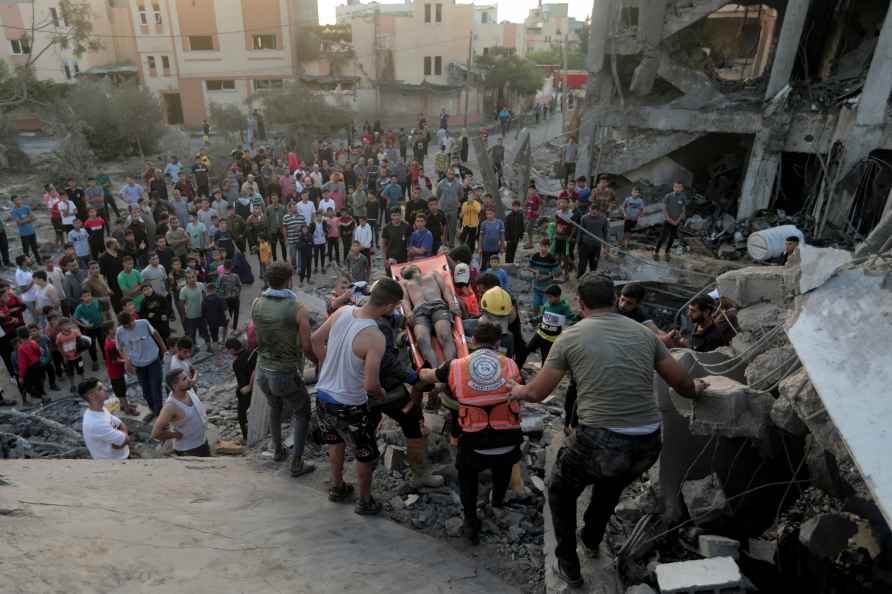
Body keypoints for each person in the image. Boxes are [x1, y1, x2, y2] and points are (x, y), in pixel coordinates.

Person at [509, 274, 703, 587]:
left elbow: (536, 393)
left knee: (560, 489)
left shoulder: (570, 337)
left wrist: (516, 390)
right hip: (649, 441)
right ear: (615, 301)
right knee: (611, 482)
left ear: (580, 304)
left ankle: (569, 564)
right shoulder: (644, 334)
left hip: (601, 439)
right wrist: (700, 389)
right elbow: (682, 384)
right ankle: (591, 536)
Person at [419, 322, 523, 545]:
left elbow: (429, 376)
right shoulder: (511, 365)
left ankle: (470, 521)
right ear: (497, 344)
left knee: (466, 474)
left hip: (475, 443)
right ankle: (497, 503)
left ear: (472, 342)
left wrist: (421, 370)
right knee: (503, 468)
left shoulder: (455, 366)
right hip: (508, 441)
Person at [311, 278, 403, 516]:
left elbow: (315, 340)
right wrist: (381, 393)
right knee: (364, 452)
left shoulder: (342, 311)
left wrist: (326, 365)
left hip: (323, 396)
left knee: (335, 441)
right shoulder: (375, 336)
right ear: (390, 306)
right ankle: (364, 501)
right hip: (350, 404)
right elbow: (371, 384)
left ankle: (337, 487)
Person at [250, 262, 317, 476]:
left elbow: (253, 336)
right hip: (284, 371)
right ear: (289, 280)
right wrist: (318, 363)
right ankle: (296, 463)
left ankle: (278, 450)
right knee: (302, 410)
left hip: (263, 369)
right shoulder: (297, 308)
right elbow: (307, 346)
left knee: (274, 406)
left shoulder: (256, 303)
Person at [398, 264, 460, 367]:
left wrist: (451, 304)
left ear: (417, 268)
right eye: (403, 269)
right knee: (421, 339)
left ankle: (449, 369)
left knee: (445, 335)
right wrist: (408, 311)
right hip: (419, 312)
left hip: (438, 306)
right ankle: (435, 374)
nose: (405, 268)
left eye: (407, 266)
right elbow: (404, 299)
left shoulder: (433, 273)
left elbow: (445, 289)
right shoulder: (404, 283)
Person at [116, 311, 167, 416]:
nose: (130, 327)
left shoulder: (143, 323)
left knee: (156, 387)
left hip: (153, 360)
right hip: (138, 364)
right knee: (146, 390)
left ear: (133, 319)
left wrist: (163, 348)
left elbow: (156, 334)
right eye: (126, 326)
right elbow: (121, 348)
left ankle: (159, 413)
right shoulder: (120, 332)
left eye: (131, 324)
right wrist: (127, 361)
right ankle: (153, 409)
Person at [152, 369, 210, 457]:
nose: (189, 380)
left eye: (187, 377)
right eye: (184, 379)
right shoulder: (170, 406)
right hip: (189, 449)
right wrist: (176, 435)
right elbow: (156, 433)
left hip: (202, 441)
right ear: (175, 386)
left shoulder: (189, 390)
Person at [80, 378, 130, 460]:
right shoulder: (96, 424)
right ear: (91, 396)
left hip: (119, 456)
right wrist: (123, 436)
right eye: (100, 389)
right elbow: (126, 440)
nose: (106, 389)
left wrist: (121, 438)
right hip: (115, 463)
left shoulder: (100, 408)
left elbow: (120, 423)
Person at [226, 337, 257, 442]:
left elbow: (244, 388)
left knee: (242, 416)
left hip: (248, 394)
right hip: (259, 389)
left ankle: (246, 437)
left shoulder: (237, 363)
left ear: (231, 350)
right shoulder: (252, 352)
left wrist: (248, 387)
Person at [654, 181, 688, 259]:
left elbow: (683, 210)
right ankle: (656, 251)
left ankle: (667, 252)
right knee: (663, 237)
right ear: (673, 187)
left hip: (676, 222)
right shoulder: (668, 196)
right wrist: (668, 219)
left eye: (679, 187)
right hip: (668, 220)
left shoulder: (683, 197)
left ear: (682, 188)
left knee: (672, 237)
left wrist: (677, 221)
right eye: (676, 187)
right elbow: (664, 209)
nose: (677, 189)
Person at [179, 271, 211, 350]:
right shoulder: (184, 290)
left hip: (201, 315)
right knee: (192, 334)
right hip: (190, 316)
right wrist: (183, 315)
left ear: (195, 277)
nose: (192, 279)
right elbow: (181, 304)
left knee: (205, 332)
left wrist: (206, 309)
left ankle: (209, 346)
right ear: (186, 280)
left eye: (193, 277)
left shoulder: (200, 285)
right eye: (189, 278)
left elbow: (205, 296)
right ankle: (194, 347)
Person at [73, 289, 103, 371]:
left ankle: (107, 358)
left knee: (103, 342)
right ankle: (95, 361)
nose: (88, 298)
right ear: (81, 298)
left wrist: (102, 320)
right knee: (91, 346)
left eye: (89, 295)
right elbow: (75, 319)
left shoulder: (95, 302)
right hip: (89, 329)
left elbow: (100, 311)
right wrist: (83, 326)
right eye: (85, 296)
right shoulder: (80, 307)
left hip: (99, 327)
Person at [577, 203, 610, 277]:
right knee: (582, 263)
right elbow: (580, 232)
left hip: (596, 245)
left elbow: (606, 232)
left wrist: (606, 246)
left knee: (594, 264)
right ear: (589, 210)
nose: (593, 212)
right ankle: (580, 277)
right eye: (592, 210)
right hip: (584, 245)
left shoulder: (603, 219)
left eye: (596, 211)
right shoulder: (584, 218)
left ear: (599, 211)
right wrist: (578, 244)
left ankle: (592, 279)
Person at [10, 195, 41, 264]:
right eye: (16, 200)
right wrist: (28, 219)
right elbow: (19, 222)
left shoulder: (26, 207)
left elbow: (34, 218)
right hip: (23, 233)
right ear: (13, 202)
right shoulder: (13, 211)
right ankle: (28, 263)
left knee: (35, 248)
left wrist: (25, 220)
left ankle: (39, 261)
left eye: (19, 199)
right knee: (26, 249)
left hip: (31, 231)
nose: (18, 201)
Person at [436, 170, 462, 245]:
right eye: (449, 173)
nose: (451, 175)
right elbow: (438, 194)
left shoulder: (458, 184)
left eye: (452, 174)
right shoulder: (441, 184)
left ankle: (451, 243)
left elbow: (461, 195)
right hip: (443, 209)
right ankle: (444, 242)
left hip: (453, 209)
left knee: (453, 227)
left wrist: (456, 200)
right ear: (446, 174)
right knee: (443, 227)